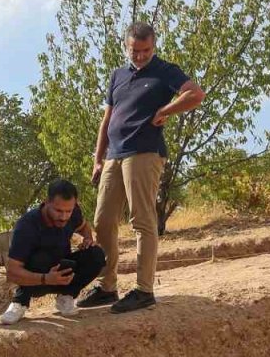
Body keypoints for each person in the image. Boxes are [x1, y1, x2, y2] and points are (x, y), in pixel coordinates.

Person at [79, 22, 205, 314]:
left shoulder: (165, 70)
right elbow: (106, 120)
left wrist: (165, 111)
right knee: (102, 221)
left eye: (145, 50)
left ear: (154, 47)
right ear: (126, 47)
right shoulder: (117, 76)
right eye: (135, 51)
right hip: (114, 154)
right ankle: (107, 286)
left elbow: (195, 94)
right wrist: (98, 158)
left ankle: (144, 290)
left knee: (142, 221)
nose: (140, 56)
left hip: (144, 152)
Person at [0, 180, 106, 325]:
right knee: (41, 257)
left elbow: (83, 226)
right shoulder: (27, 225)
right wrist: (46, 278)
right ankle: (19, 302)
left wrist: (87, 238)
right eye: (58, 211)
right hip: (38, 277)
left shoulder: (73, 213)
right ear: (46, 202)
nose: (64, 217)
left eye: (68, 211)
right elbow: (12, 272)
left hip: (62, 271)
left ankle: (66, 296)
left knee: (96, 254)